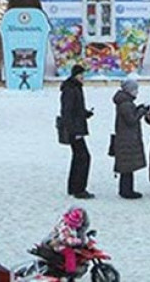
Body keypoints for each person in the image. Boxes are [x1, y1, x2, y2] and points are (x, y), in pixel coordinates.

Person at [59, 63, 94, 199]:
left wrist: (85, 113)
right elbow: (67, 112)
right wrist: (73, 130)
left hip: (77, 127)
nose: (83, 77)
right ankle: (79, 188)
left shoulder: (75, 88)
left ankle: (73, 187)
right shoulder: (71, 89)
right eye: (81, 75)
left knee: (78, 157)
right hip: (75, 130)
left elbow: (75, 109)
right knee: (83, 157)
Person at [111, 76, 148, 199]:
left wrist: (138, 108)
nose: (137, 92)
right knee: (128, 166)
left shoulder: (125, 102)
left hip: (125, 137)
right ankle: (127, 190)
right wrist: (142, 111)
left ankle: (125, 189)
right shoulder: (126, 104)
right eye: (135, 89)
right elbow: (131, 120)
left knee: (127, 166)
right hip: (127, 138)